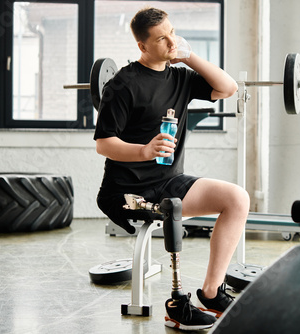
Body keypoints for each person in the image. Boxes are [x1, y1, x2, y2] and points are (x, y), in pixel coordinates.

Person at [94, 7, 250, 331]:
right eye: (161, 38)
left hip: (169, 181)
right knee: (173, 211)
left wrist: (190, 57)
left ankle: (210, 292)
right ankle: (177, 304)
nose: (170, 41)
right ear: (142, 46)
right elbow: (104, 143)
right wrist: (144, 150)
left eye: (172, 33)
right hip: (126, 189)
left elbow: (228, 88)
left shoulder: (179, 77)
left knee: (237, 199)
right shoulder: (123, 85)